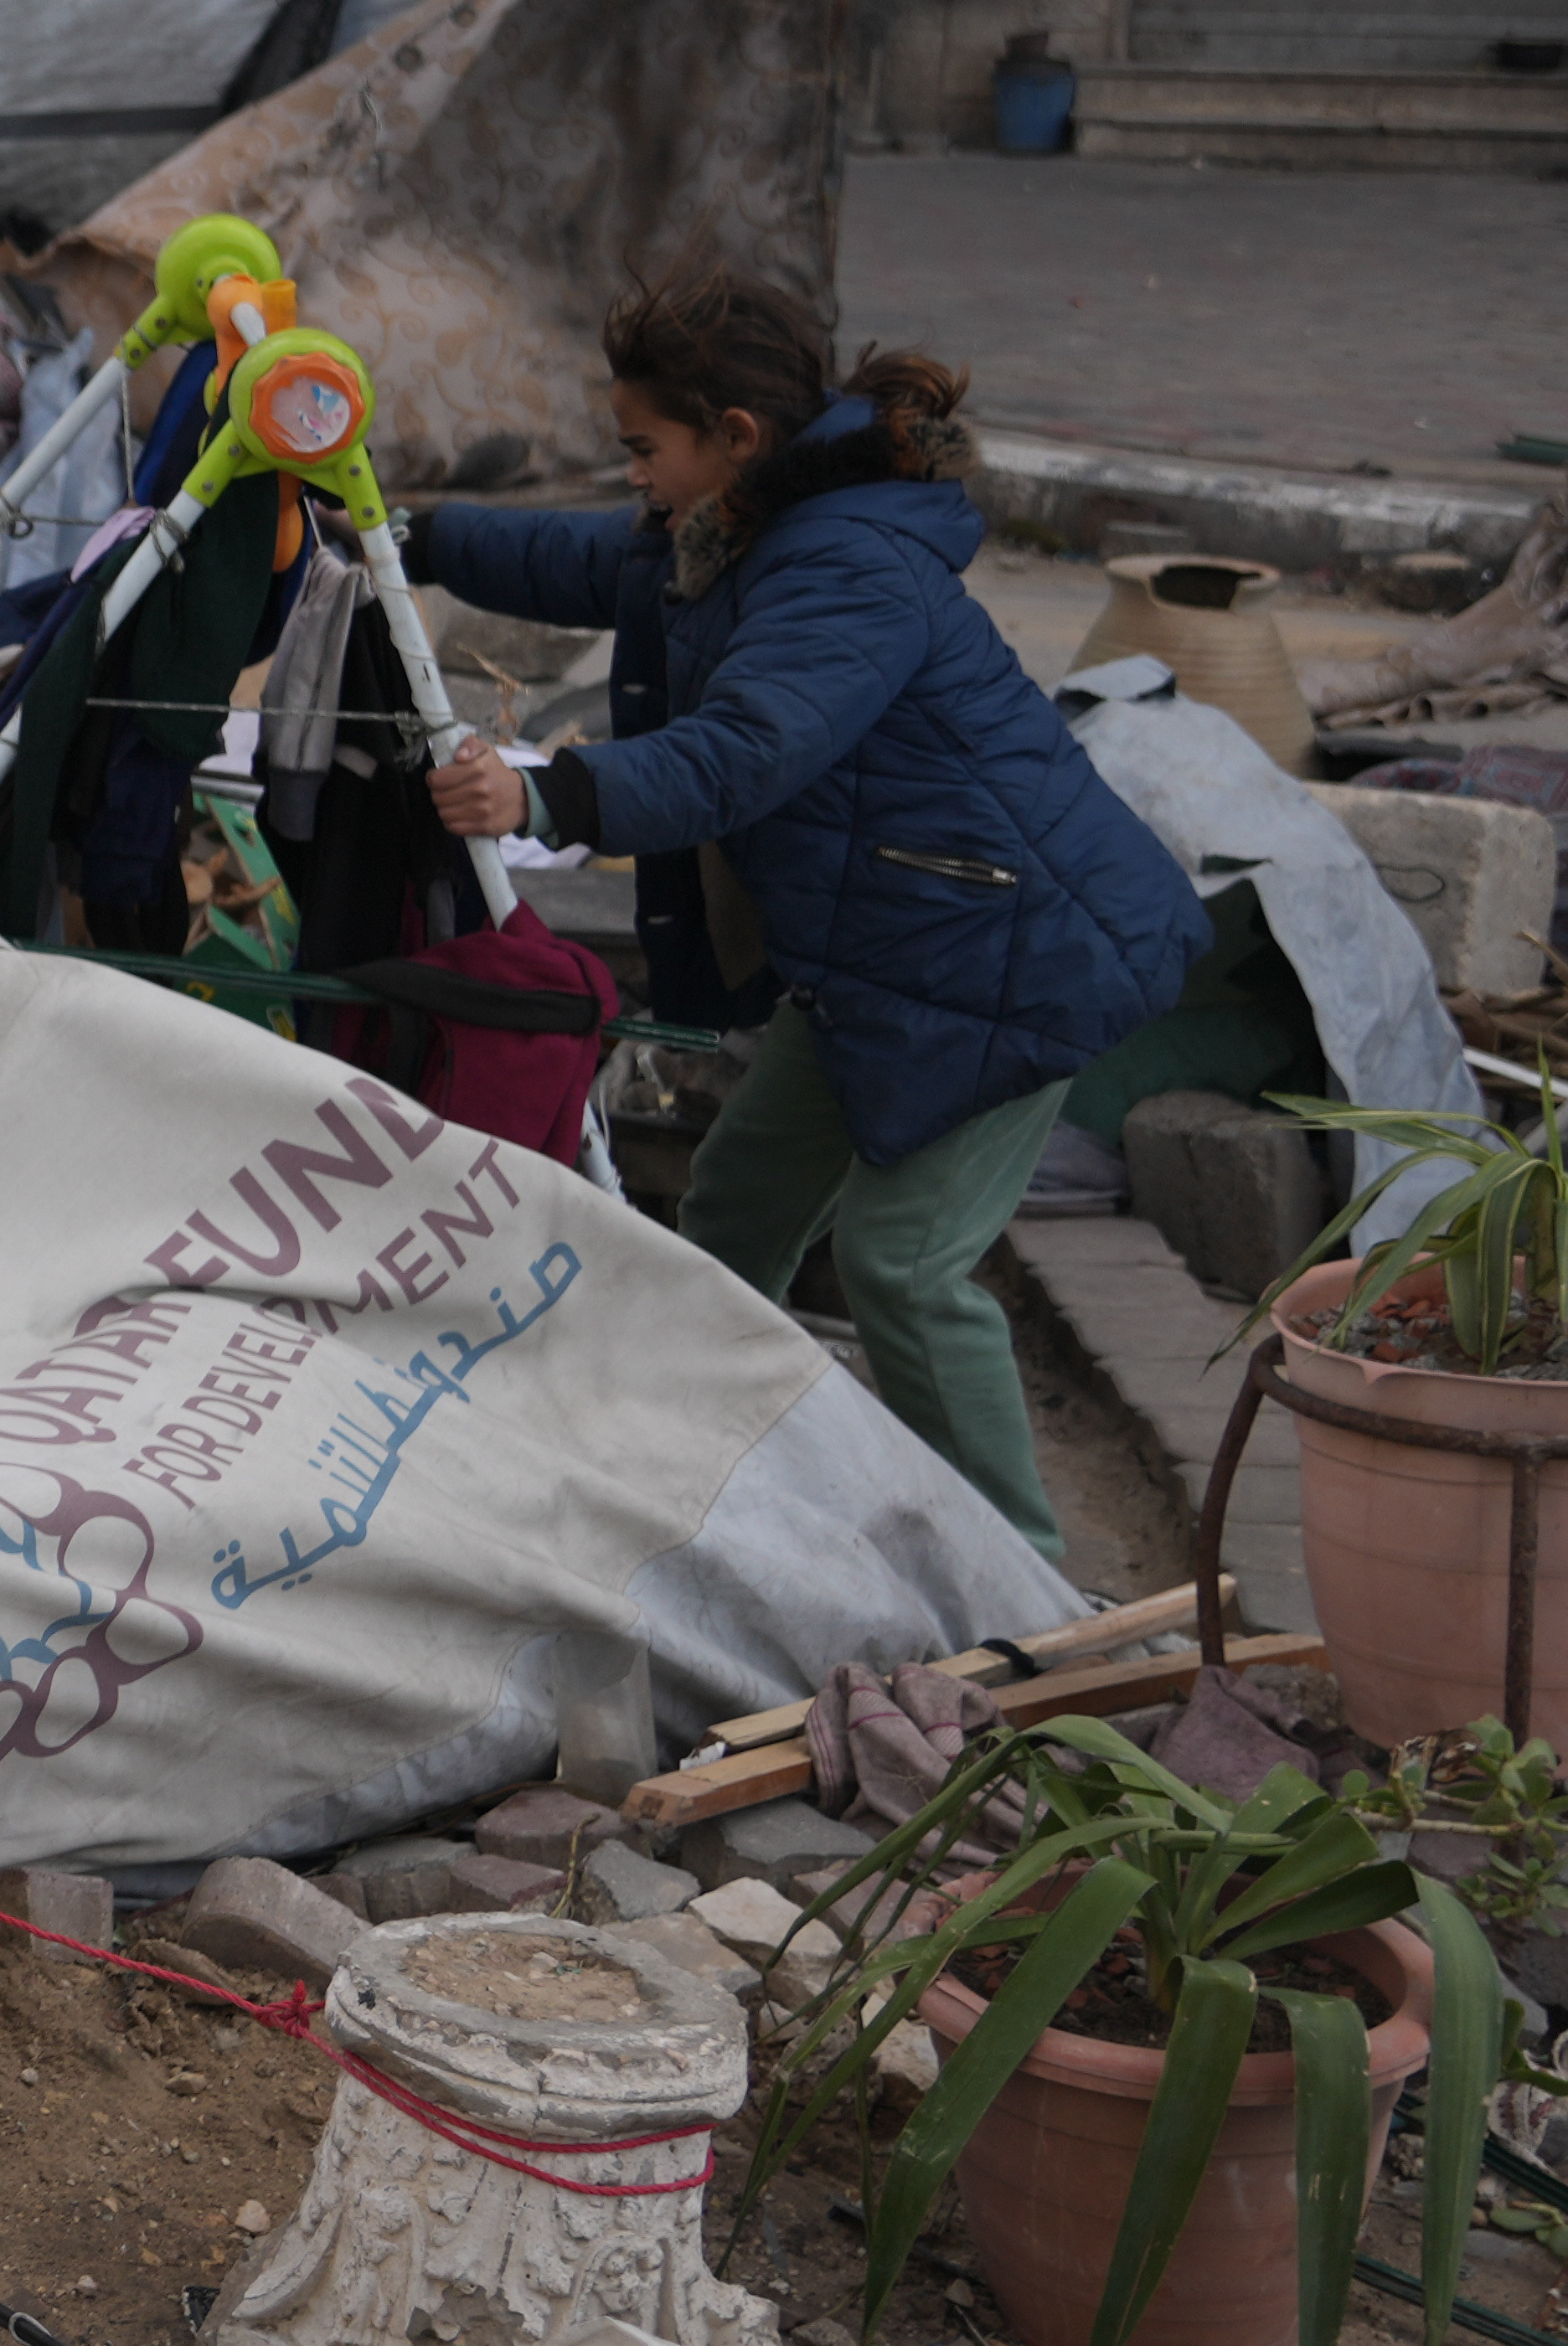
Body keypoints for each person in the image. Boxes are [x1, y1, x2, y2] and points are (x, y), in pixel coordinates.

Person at [414, 275, 1198, 1564]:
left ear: (734, 434)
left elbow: (745, 750)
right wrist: (408, 535)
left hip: (1016, 958)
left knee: (902, 1264)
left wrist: (548, 794)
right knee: (734, 1211)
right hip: (880, 959)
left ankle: (1025, 1580)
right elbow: (585, 562)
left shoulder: (844, 565)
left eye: (643, 448)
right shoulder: (736, 521)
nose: (633, 477)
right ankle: (701, 1484)